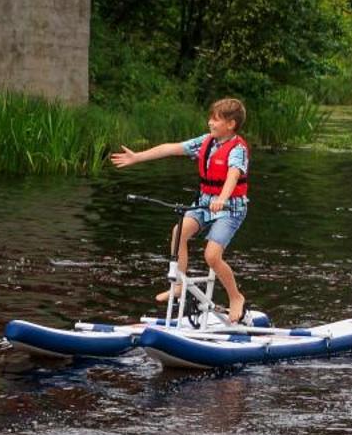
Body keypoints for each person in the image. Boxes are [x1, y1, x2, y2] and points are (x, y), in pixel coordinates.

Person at [107, 97, 252, 324]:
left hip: (229, 209)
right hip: (204, 204)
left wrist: (222, 199)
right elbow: (171, 148)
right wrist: (138, 157)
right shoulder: (207, 142)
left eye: (216, 120)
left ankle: (236, 297)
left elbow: (233, 174)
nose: (210, 123)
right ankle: (178, 285)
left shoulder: (237, 149)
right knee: (178, 233)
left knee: (212, 256)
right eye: (210, 119)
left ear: (231, 124)